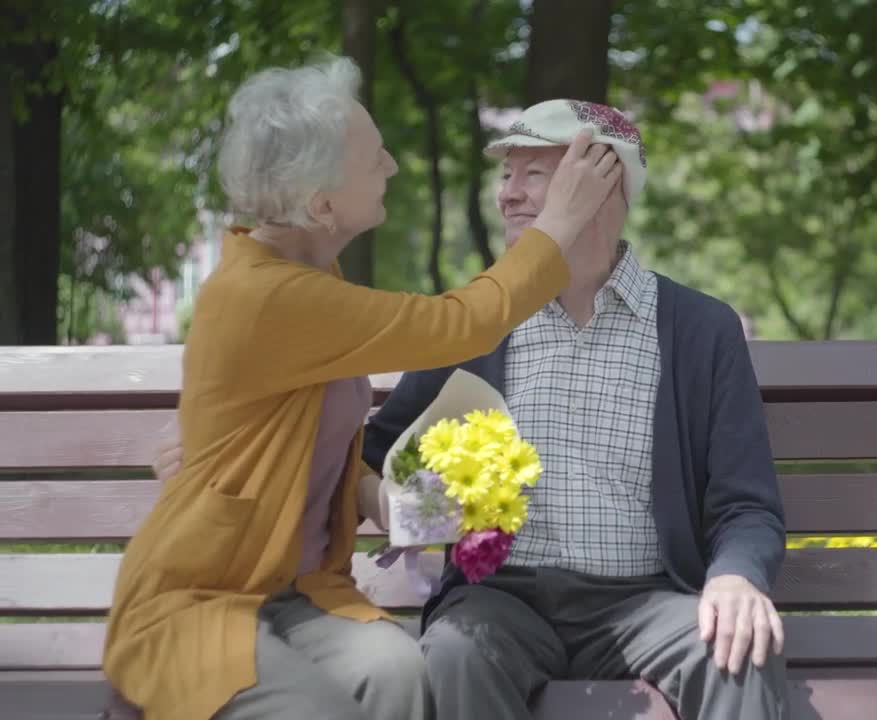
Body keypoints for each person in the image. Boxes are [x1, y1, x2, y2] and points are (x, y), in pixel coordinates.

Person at [104, 58, 622, 720]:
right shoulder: (271, 296)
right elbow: (461, 324)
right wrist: (561, 223)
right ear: (322, 205)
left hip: (295, 592)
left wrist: (399, 504)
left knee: (398, 673)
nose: (394, 167)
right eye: (375, 157)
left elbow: (296, 446)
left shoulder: (307, 275)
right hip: (200, 600)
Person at [363, 99, 789, 719]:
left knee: (735, 651)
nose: (508, 194)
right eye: (505, 175)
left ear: (604, 179)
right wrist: (417, 504)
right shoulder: (478, 319)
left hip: (648, 601)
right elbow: (376, 456)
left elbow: (746, 503)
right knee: (453, 651)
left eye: (534, 174)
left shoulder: (700, 328)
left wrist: (736, 576)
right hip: (499, 599)